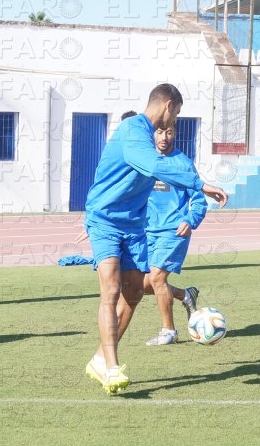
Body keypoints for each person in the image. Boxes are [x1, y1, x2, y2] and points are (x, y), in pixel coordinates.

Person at [84, 83, 228, 394]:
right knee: (110, 289)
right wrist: (201, 185)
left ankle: (99, 357)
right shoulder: (133, 130)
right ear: (167, 106)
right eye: (176, 113)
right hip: (106, 221)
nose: (174, 120)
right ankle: (111, 368)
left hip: (134, 226)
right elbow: (153, 165)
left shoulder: (148, 138)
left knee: (133, 294)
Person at [135, 123, 205, 346]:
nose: (164, 137)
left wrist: (190, 220)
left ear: (175, 133)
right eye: (159, 131)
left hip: (174, 230)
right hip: (147, 232)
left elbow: (200, 198)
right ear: (152, 133)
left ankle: (169, 332)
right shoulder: (144, 162)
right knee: (140, 285)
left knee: (157, 278)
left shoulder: (182, 163)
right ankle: (185, 294)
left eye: (169, 132)